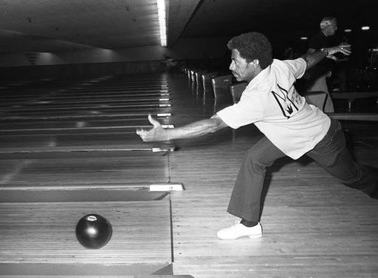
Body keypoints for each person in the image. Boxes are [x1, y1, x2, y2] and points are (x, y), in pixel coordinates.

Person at [136, 32, 377, 240]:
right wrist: (329, 49)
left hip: (322, 137)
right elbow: (307, 60)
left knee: (353, 177)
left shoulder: (257, 98)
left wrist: (166, 134)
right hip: (290, 133)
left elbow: (212, 125)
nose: (231, 67)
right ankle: (249, 225)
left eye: (235, 61)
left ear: (254, 63)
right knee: (255, 159)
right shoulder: (280, 66)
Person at [304, 16, 350, 112]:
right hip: (315, 76)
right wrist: (335, 49)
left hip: (318, 74)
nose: (336, 28)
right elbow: (310, 55)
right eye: (334, 26)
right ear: (326, 26)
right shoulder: (318, 38)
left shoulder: (324, 39)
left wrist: (333, 58)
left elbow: (320, 54)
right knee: (322, 101)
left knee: (323, 100)